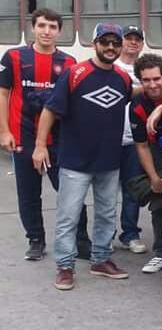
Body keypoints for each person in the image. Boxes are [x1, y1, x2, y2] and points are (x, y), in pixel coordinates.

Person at [33, 23, 134, 291]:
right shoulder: (75, 74)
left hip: (109, 161)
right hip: (75, 162)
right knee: (68, 215)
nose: (110, 47)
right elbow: (50, 111)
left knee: (107, 214)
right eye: (105, 42)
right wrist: (40, 145)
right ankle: (65, 266)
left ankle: (100, 260)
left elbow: (131, 96)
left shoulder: (123, 78)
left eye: (115, 43)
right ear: (95, 44)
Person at [0, 8, 91, 261]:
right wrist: (4, 130)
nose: (46, 31)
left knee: (71, 191)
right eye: (42, 26)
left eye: (52, 27)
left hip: (59, 139)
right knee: (28, 193)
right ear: (33, 28)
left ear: (59, 31)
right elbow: (3, 94)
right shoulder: (14, 57)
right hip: (22, 135)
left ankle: (81, 239)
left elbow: (74, 102)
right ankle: (36, 240)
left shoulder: (69, 63)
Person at [129, 54, 162, 274]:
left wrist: (160, 109)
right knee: (160, 199)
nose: (152, 84)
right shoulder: (137, 106)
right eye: (146, 80)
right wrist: (153, 178)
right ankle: (161, 252)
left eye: (156, 79)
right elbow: (141, 146)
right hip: (158, 152)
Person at [114, 25, 146, 255]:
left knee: (131, 190)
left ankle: (130, 234)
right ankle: (104, 237)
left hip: (135, 140)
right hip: (109, 139)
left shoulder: (145, 69)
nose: (133, 42)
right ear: (121, 42)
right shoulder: (111, 66)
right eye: (129, 38)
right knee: (104, 191)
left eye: (137, 39)